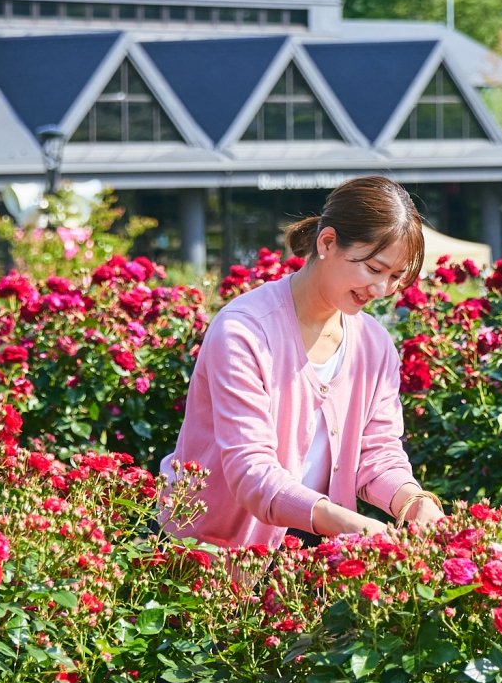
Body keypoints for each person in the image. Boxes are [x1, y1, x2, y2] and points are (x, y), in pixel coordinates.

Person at [159, 175, 446, 549]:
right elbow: (252, 472)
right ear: (327, 242)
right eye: (374, 269)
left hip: (317, 543)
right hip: (212, 551)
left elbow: (378, 454)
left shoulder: (374, 345)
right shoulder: (244, 333)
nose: (381, 290)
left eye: (395, 277)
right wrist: (353, 526)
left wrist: (414, 501)